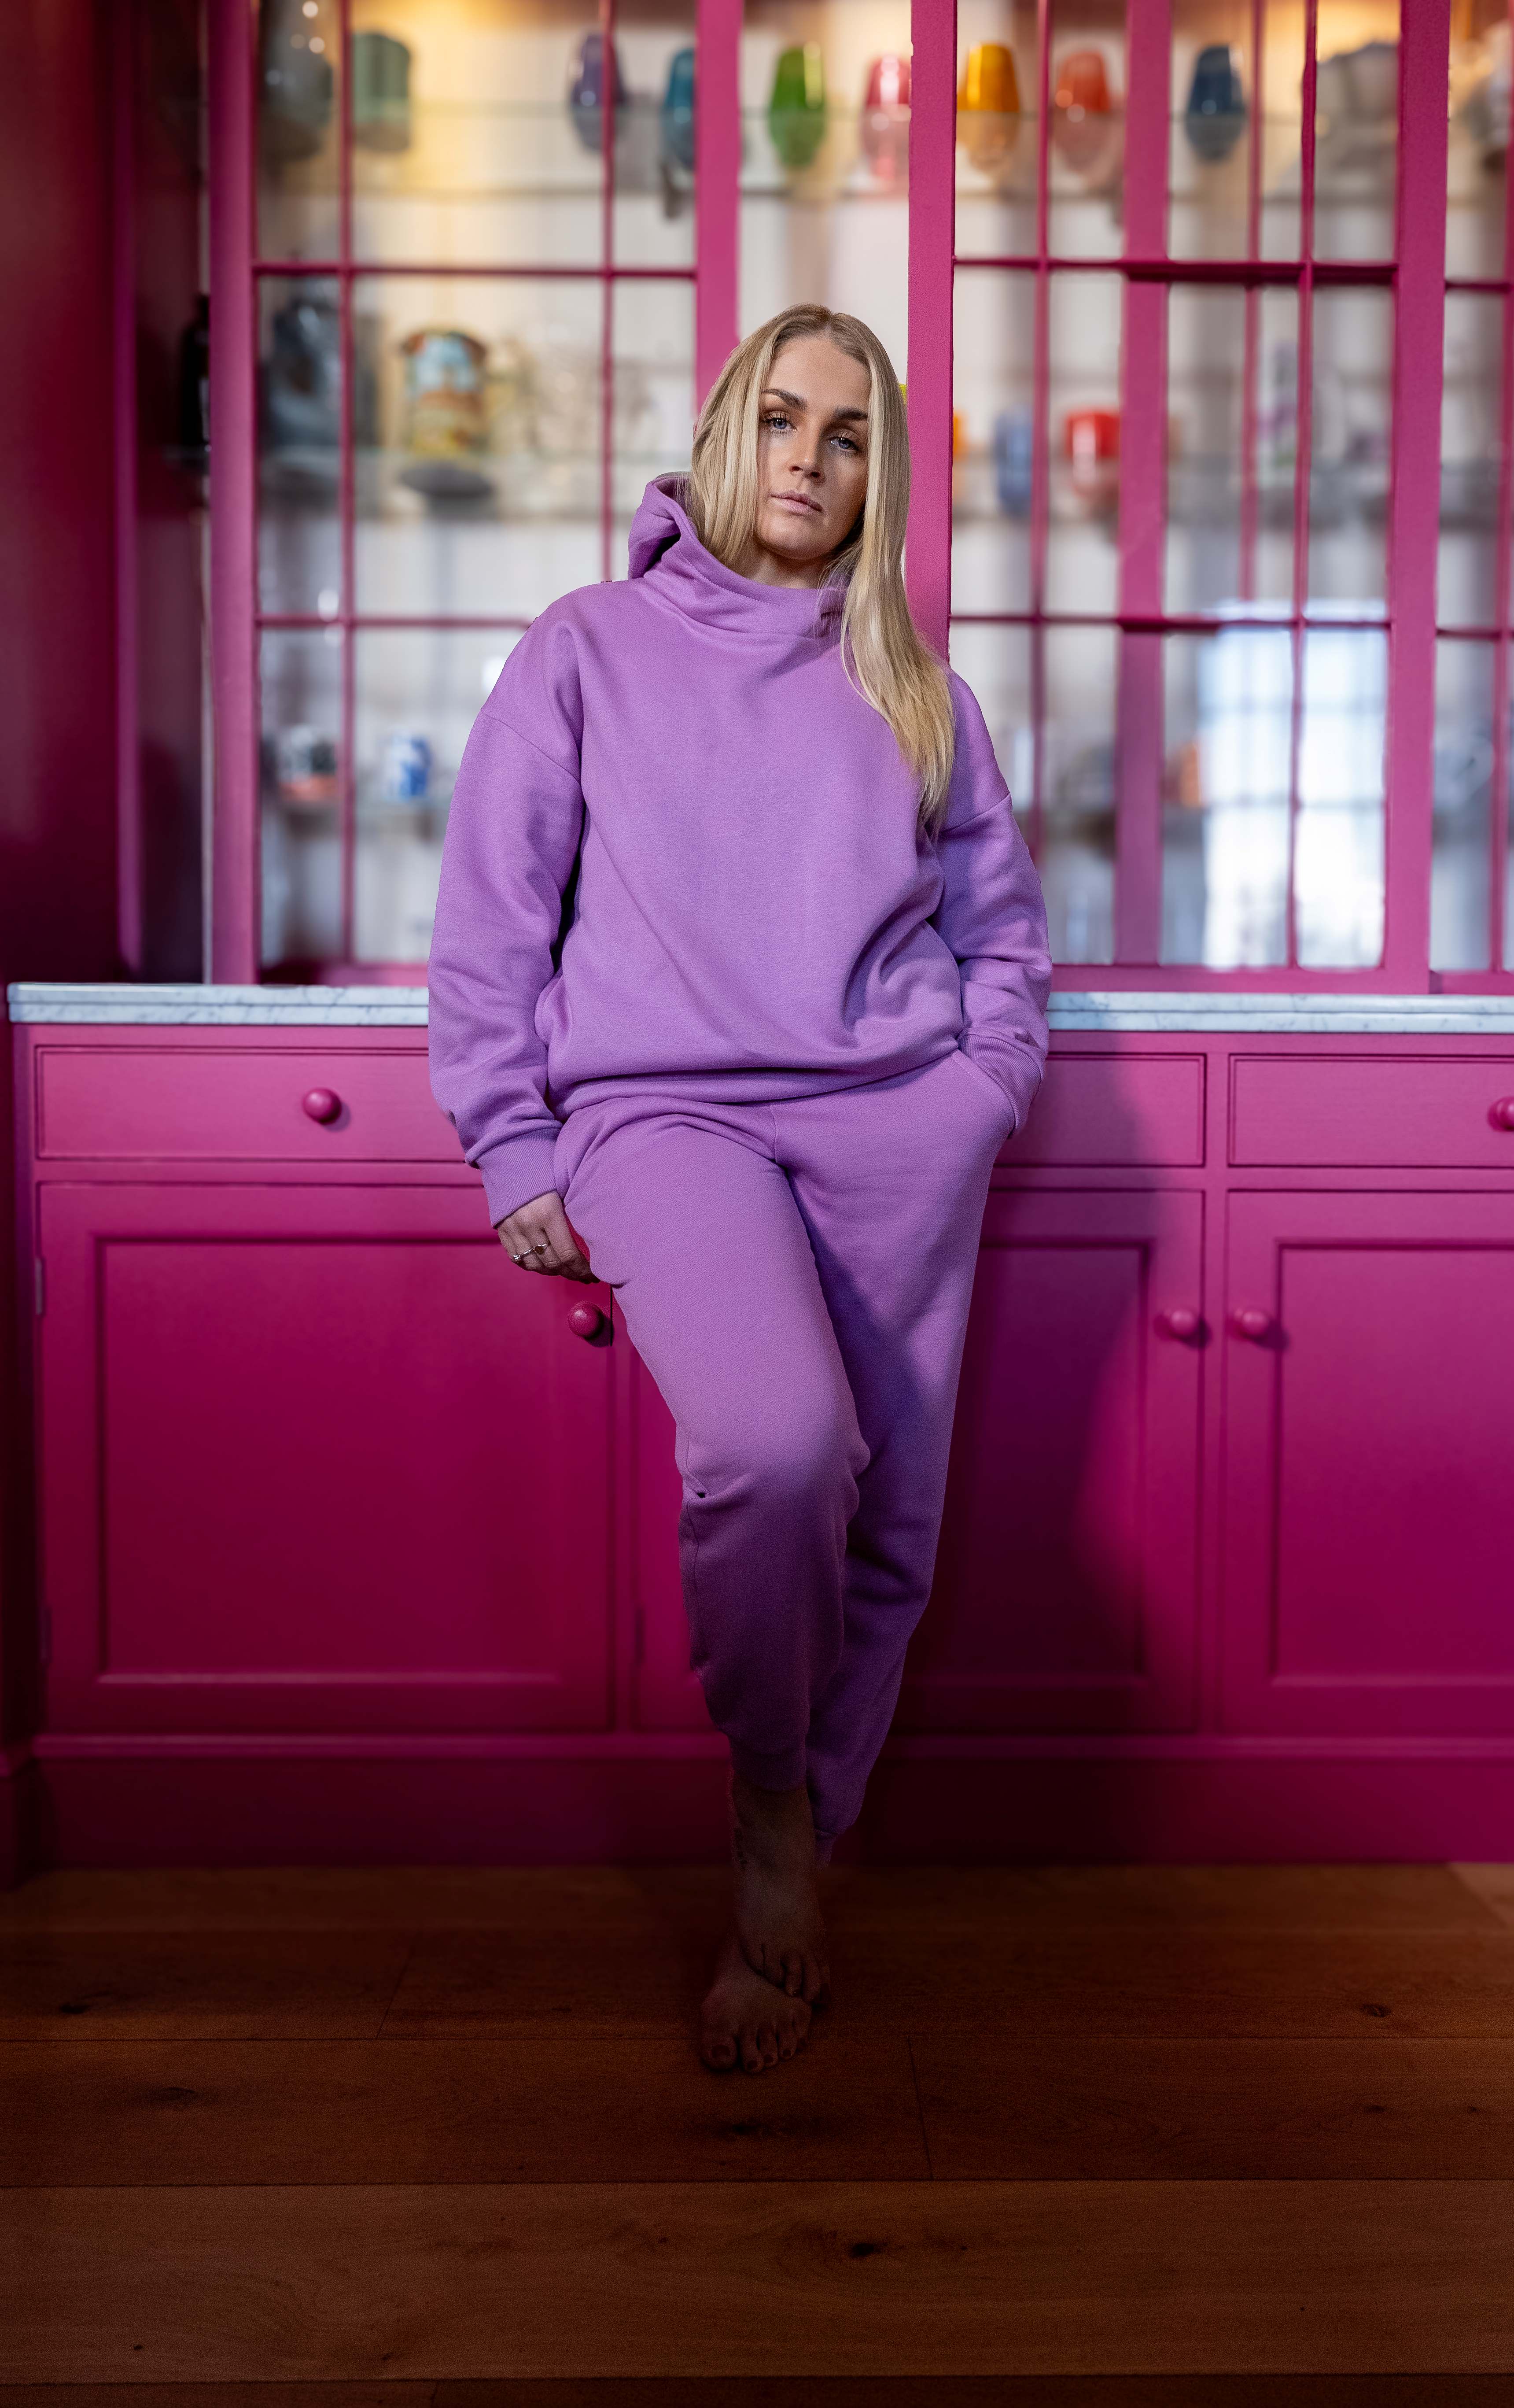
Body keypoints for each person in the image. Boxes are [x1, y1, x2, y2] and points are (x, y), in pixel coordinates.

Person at [428, 303, 1051, 2074]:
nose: (808, 456)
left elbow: (1004, 936)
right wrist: (514, 1140)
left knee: (891, 1521)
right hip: (666, 1115)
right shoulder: (588, 648)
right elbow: (487, 929)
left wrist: (980, 1085)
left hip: (896, 1125)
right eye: (782, 417)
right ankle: (773, 1803)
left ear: (881, 478)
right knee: (780, 1448)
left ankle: (805, 1820)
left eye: (849, 435)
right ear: (727, 429)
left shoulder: (915, 687)